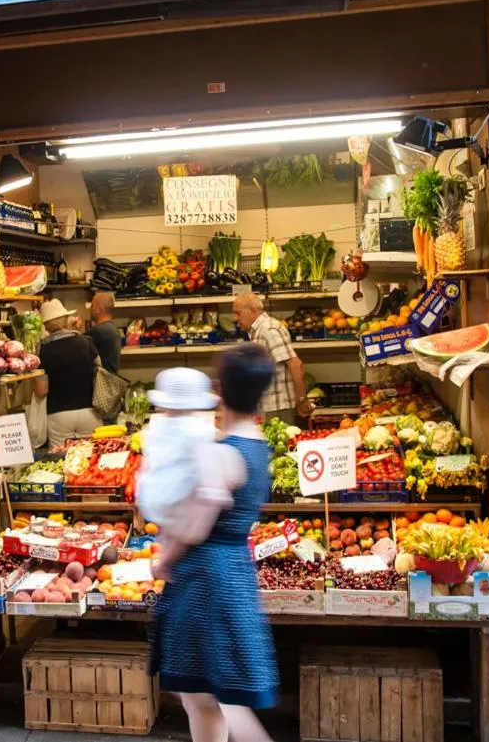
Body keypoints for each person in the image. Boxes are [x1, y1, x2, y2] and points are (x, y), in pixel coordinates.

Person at [150, 343, 279, 742]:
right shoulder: (257, 445)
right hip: (235, 570)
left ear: (220, 390)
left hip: (205, 578)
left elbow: (193, 527)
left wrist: (163, 561)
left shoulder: (220, 453)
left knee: (209, 693)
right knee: (211, 692)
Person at [136, 368, 224, 532]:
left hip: (158, 511)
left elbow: (146, 470)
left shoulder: (154, 427)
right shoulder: (201, 430)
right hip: (191, 518)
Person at [233, 292, 312, 424]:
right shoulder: (256, 332)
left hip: (279, 407)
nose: (235, 318)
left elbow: (295, 364)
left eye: (238, 313)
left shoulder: (269, 329)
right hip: (269, 406)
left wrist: (302, 400)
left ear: (252, 311)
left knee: (282, 444)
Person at [34, 299, 103, 448]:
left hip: (59, 415)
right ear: (66, 319)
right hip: (90, 411)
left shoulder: (43, 351)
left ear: (46, 325)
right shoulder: (87, 342)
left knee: (62, 460)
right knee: (91, 458)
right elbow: (100, 374)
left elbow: (41, 390)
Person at [87, 291, 121, 374]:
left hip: (99, 384)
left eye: (92, 305)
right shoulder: (114, 330)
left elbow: (75, 348)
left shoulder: (98, 331)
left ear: (98, 310)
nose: (90, 309)